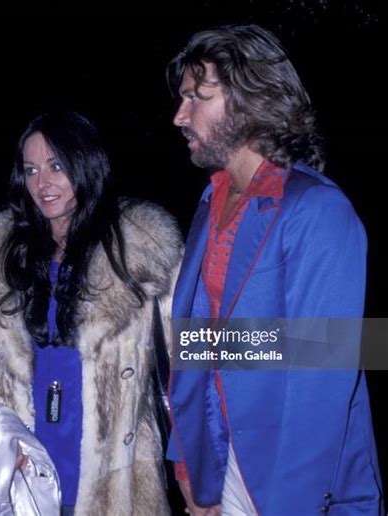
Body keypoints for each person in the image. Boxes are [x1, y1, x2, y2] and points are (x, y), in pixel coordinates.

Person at [166, 24, 384, 515]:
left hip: (290, 486)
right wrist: (187, 462)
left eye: (197, 97)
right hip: (220, 465)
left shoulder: (319, 212)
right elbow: (198, 343)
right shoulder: (210, 201)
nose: (180, 115)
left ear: (248, 102)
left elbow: (322, 382)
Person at [0, 109, 183, 515]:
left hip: (119, 480)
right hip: (26, 472)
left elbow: (191, 359)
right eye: (31, 169)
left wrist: (196, 463)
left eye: (57, 165)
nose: (43, 183)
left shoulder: (142, 251)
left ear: (86, 164)